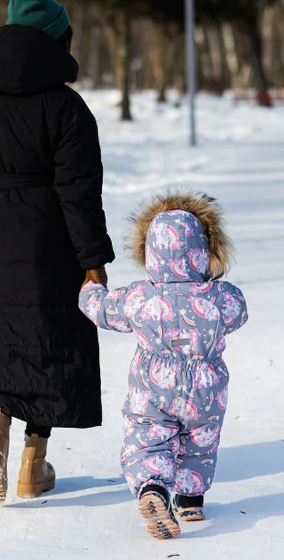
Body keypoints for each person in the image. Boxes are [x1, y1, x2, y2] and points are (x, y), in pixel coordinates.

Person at [0, 0, 114, 503]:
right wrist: (93, 261)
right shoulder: (67, 108)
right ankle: (33, 465)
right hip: (49, 241)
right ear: (57, 41)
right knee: (48, 341)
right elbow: (79, 193)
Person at [79, 191, 248, 539]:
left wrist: (89, 290)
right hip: (206, 387)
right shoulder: (222, 297)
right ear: (206, 251)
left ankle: (154, 488)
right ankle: (190, 499)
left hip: (154, 386)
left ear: (149, 253)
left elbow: (102, 310)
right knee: (200, 442)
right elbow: (239, 313)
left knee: (148, 438)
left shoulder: (139, 297)